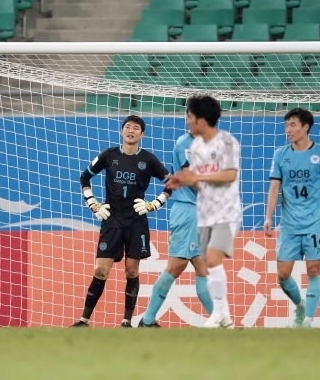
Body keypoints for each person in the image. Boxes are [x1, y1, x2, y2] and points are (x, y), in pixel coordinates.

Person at [72, 115, 171, 327]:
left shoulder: (149, 159)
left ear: (142, 134)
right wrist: (93, 204)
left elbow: (171, 183)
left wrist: (155, 204)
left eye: (136, 128)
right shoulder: (108, 156)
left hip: (137, 222)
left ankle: (126, 321)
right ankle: (83, 320)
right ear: (121, 131)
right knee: (101, 270)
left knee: (132, 270)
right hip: (112, 220)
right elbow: (84, 178)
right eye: (127, 127)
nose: (131, 131)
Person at [167, 96, 242, 328]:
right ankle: (224, 318)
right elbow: (200, 183)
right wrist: (184, 180)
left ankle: (220, 314)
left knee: (211, 259)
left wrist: (197, 177)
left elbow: (230, 175)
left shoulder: (226, 143)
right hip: (205, 211)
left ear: (201, 120)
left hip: (226, 211)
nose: (187, 121)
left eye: (189, 117)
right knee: (208, 263)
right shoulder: (195, 146)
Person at [264, 108, 320, 328]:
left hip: (315, 222)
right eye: (286, 125)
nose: (288, 130)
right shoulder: (281, 154)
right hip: (289, 223)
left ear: (305, 127)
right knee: (283, 274)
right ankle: (299, 306)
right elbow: (274, 188)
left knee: (314, 270)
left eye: (293, 125)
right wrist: (268, 217)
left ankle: (308, 320)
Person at [138, 131, 214, 327]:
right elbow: (190, 177)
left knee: (201, 266)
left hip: (200, 211)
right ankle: (147, 321)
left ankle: (219, 320)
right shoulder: (185, 143)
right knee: (176, 266)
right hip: (188, 211)